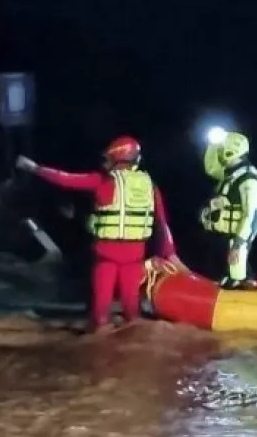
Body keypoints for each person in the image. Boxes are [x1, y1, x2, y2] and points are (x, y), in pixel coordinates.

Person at [15, 136, 184, 332]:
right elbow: (161, 223)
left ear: (116, 158)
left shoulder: (102, 181)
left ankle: (100, 334)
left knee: (101, 312)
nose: (105, 163)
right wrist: (170, 253)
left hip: (106, 255)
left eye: (108, 159)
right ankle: (133, 338)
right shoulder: (150, 186)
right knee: (132, 310)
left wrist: (35, 168)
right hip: (134, 255)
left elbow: (66, 179)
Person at [199, 131, 257, 288]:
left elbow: (249, 215)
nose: (219, 152)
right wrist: (212, 146)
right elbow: (211, 168)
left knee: (237, 276)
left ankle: (251, 286)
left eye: (221, 148)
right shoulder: (232, 174)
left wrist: (238, 244)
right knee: (228, 276)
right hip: (224, 237)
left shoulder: (249, 179)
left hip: (237, 238)